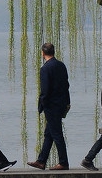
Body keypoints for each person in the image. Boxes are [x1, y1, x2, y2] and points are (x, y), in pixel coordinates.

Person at [28, 42, 70, 170]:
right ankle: (41, 161)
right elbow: (66, 85)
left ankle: (63, 162)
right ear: (53, 52)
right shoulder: (61, 65)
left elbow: (45, 90)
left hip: (51, 105)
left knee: (56, 134)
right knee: (49, 134)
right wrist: (67, 102)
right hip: (61, 103)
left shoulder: (45, 68)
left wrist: (42, 103)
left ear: (42, 53)